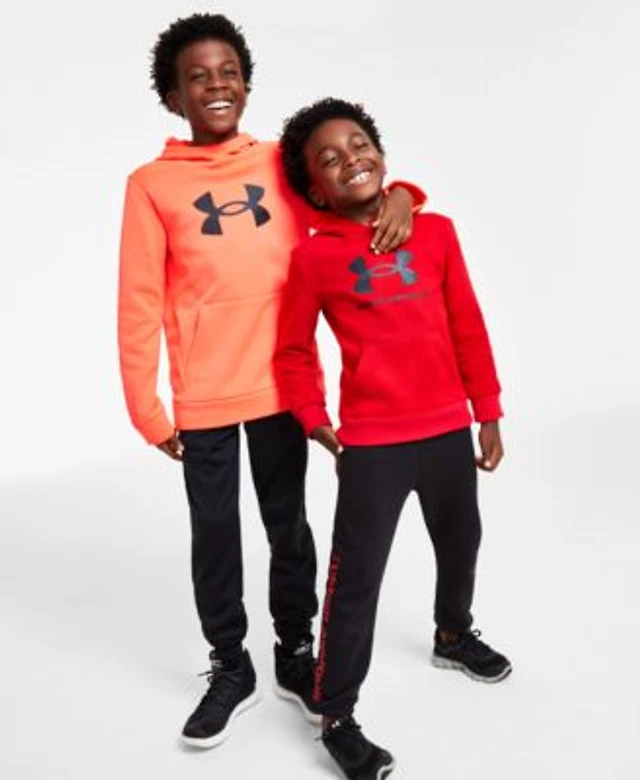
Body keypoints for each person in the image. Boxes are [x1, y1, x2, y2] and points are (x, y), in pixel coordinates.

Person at [117, 14, 422, 750]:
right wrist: (146, 409)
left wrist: (406, 194)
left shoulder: (279, 164)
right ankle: (231, 664)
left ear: (247, 83)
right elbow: (139, 301)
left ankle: (294, 650)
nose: (216, 85)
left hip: (282, 385)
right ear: (173, 97)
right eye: (197, 77)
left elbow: (350, 191)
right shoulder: (151, 186)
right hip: (204, 396)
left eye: (228, 72)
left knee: (289, 526)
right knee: (215, 533)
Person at [276, 97, 512, 779]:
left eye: (360, 144)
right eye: (329, 158)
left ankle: (453, 633)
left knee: (462, 540)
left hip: (447, 428)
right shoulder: (313, 258)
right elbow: (293, 350)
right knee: (356, 579)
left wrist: (487, 409)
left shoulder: (435, 232)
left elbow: (467, 321)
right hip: (372, 444)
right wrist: (313, 417)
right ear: (314, 188)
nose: (351, 160)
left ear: (380, 151)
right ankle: (336, 716)